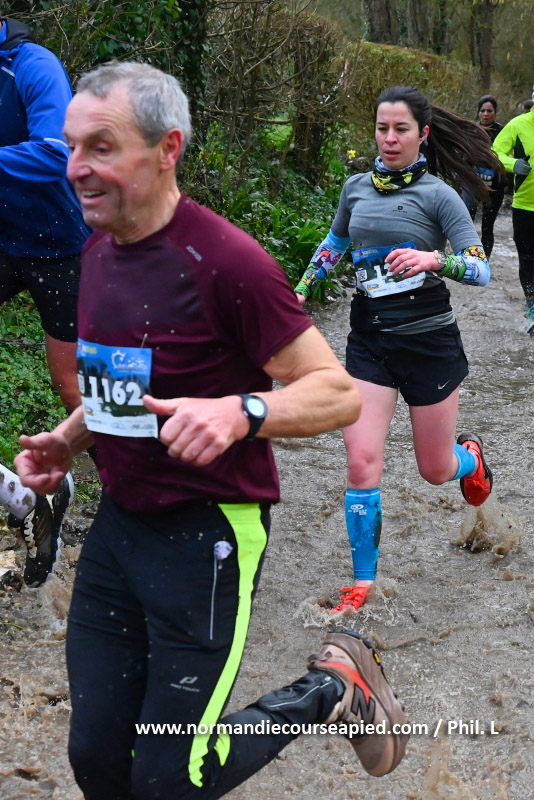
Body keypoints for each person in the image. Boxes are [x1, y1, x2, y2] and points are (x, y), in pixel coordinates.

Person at [15, 61, 409, 799]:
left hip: (209, 535)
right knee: (97, 761)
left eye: (101, 147)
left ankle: (332, 688)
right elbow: (127, 380)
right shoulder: (97, 250)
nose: (75, 168)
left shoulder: (226, 261)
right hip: (119, 530)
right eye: (72, 147)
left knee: (171, 778)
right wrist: (70, 439)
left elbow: (335, 394)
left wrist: (241, 412)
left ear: (167, 148)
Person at [295, 86, 498, 613]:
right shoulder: (355, 188)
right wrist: (300, 291)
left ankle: (470, 460)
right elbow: (335, 244)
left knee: (434, 469)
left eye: (400, 129)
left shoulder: (439, 196)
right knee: (362, 462)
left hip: (429, 344)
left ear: (422, 134)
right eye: (382, 128)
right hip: (370, 342)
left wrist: (435, 260)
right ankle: (362, 583)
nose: (389, 138)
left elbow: (480, 268)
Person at [0, 16, 91, 586]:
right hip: (3, 241)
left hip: (61, 244)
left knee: (71, 384)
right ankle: (22, 498)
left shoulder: (32, 64)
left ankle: (138, 502)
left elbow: (57, 152)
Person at [493, 103, 534, 334]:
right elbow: (494, 152)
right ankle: (532, 306)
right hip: (524, 206)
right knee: (527, 258)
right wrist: (513, 164)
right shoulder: (518, 125)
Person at [461, 95, 505, 258]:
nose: (485, 114)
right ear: (478, 112)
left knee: (487, 225)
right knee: (467, 219)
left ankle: (484, 261)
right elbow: (461, 155)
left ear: (495, 112)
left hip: (495, 184)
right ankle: (466, 258)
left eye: (489, 111)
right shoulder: (470, 130)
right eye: (482, 110)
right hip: (472, 182)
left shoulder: (503, 132)